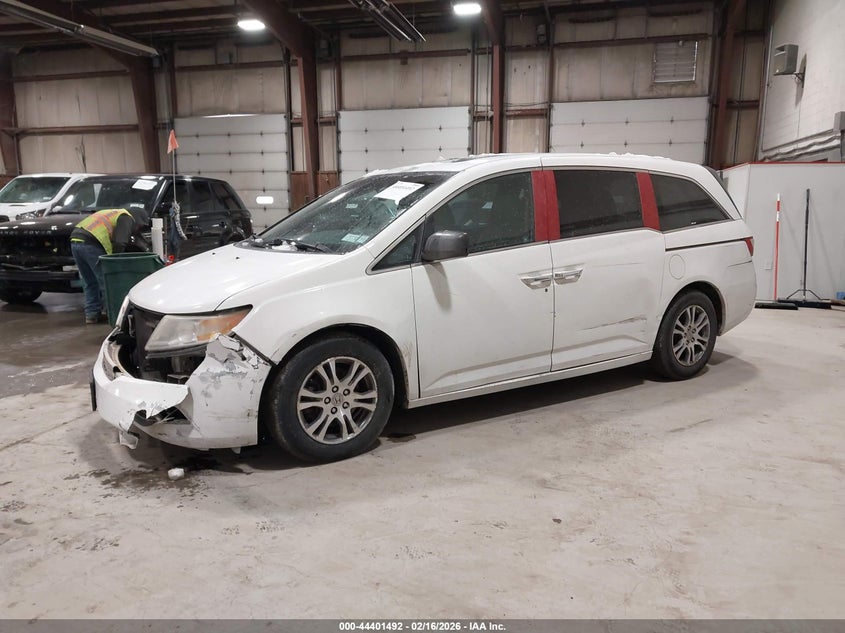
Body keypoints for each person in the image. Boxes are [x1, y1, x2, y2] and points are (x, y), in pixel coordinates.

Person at [70, 208, 147, 324]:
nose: (137, 229)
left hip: (75, 241)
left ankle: (91, 314)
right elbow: (120, 242)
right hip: (91, 244)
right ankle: (113, 315)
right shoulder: (126, 217)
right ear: (138, 219)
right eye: (140, 226)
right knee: (107, 282)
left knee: (90, 281)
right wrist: (114, 261)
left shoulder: (112, 213)